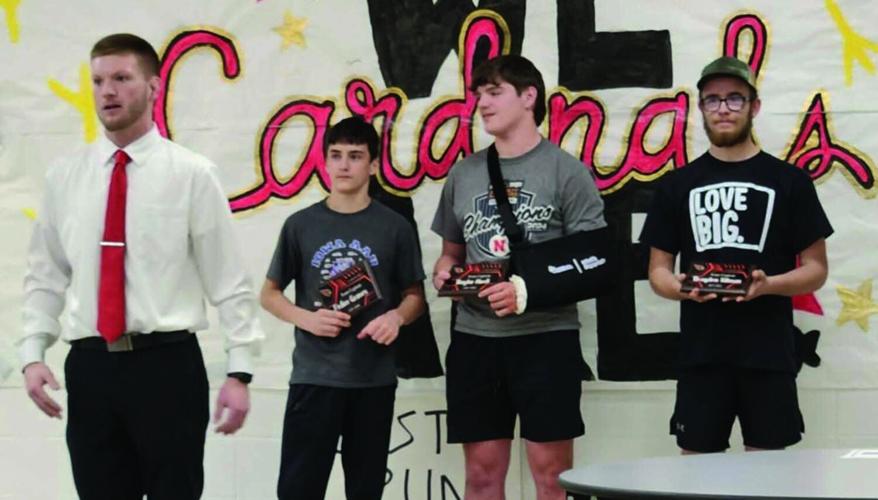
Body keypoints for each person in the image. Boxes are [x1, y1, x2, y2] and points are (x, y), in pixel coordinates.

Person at [19, 33, 263, 499]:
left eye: (121, 78)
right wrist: (33, 352)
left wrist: (240, 370)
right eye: (98, 81)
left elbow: (228, 277)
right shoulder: (65, 176)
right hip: (91, 366)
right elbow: (45, 273)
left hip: (166, 366)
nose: (107, 91)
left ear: (153, 87)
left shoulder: (191, 174)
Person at [431, 54, 605, 500]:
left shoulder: (567, 171)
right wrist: (445, 273)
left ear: (529, 97)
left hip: (546, 339)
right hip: (475, 340)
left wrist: (526, 290)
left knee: (552, 477)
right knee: (481, 477)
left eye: (495, 92)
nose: (483, 103)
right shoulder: (464, 173)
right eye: (479, 94)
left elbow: (594, 261)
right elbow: (451, 253)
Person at [639, 56, 833, 454]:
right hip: (701, 355)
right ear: (700, 109)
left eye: (734, 98)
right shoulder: (677, 185)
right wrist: (681, 288)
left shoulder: (790, 182)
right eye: (712, 100)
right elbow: (658, 271)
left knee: (767, 475)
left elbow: (816, 270)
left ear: (754, 106)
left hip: (768, 353)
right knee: (696, 470)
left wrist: (769, 285)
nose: (723, 109)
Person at [260, 116, 426, 500]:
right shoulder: (301, 225)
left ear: (373, 165)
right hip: (314, 378)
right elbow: (269, 294)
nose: (344, 165)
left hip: (373, 380)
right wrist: (307, 318)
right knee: (298, 490)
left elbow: (416, 296)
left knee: (365, 491)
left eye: (355, 156)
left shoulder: (394, 227)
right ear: (325, 161)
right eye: (335, 155)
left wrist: (396, 317)